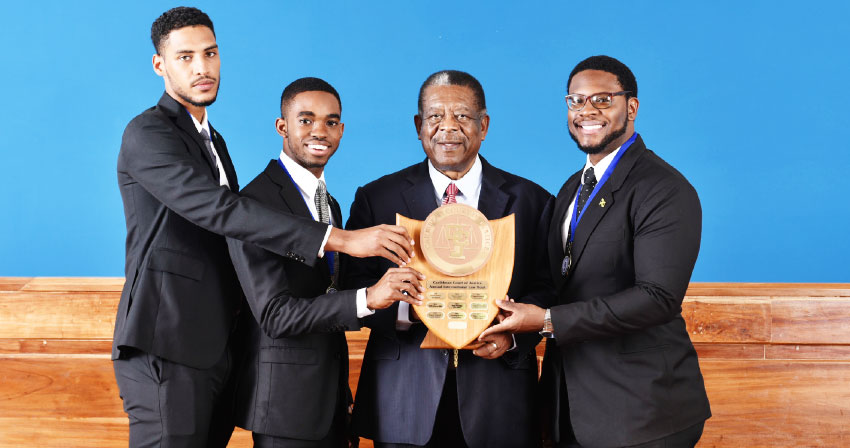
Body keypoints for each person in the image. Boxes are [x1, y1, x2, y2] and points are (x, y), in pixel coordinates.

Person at [112, 8, 415, 447]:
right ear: (159, 64)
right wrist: (340, 239)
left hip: (215, 349)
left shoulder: (215, 144)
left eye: (210, 53)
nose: (202, 67)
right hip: (165, 340)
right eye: (185, 57)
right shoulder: (146, 133)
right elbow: (223, 212)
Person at [479, 55, 711, 447]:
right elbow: (560, 285)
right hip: (567, 406)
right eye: (576, 101)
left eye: (603, 99)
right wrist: (511, 334)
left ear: (631, 107)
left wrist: (546, 319)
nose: (587, 110)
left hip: (641, 412)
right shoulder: (573, 188)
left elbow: (657, 298)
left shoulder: (663, 188)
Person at [344, 70, 555, 448]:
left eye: (462, 116)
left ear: (484, 124)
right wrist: (405, 307)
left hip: (499, 396)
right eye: (435, 116)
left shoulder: (532, 201)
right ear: (418, 125)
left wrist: (513, 339)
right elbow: (353, 288)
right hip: (404, 397)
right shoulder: (378, 198)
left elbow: (549, 288)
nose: (448, 127)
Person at [226, 77, 425, 448]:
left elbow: (329, 290)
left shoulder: (328, 203)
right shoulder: (255, 203)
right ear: (281, 127)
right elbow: (275, 316)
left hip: (330, 402)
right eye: (306, 119)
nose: (320, 130)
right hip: (284, 410)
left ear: (342, 130)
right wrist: (368, 297)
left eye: (331, 121)